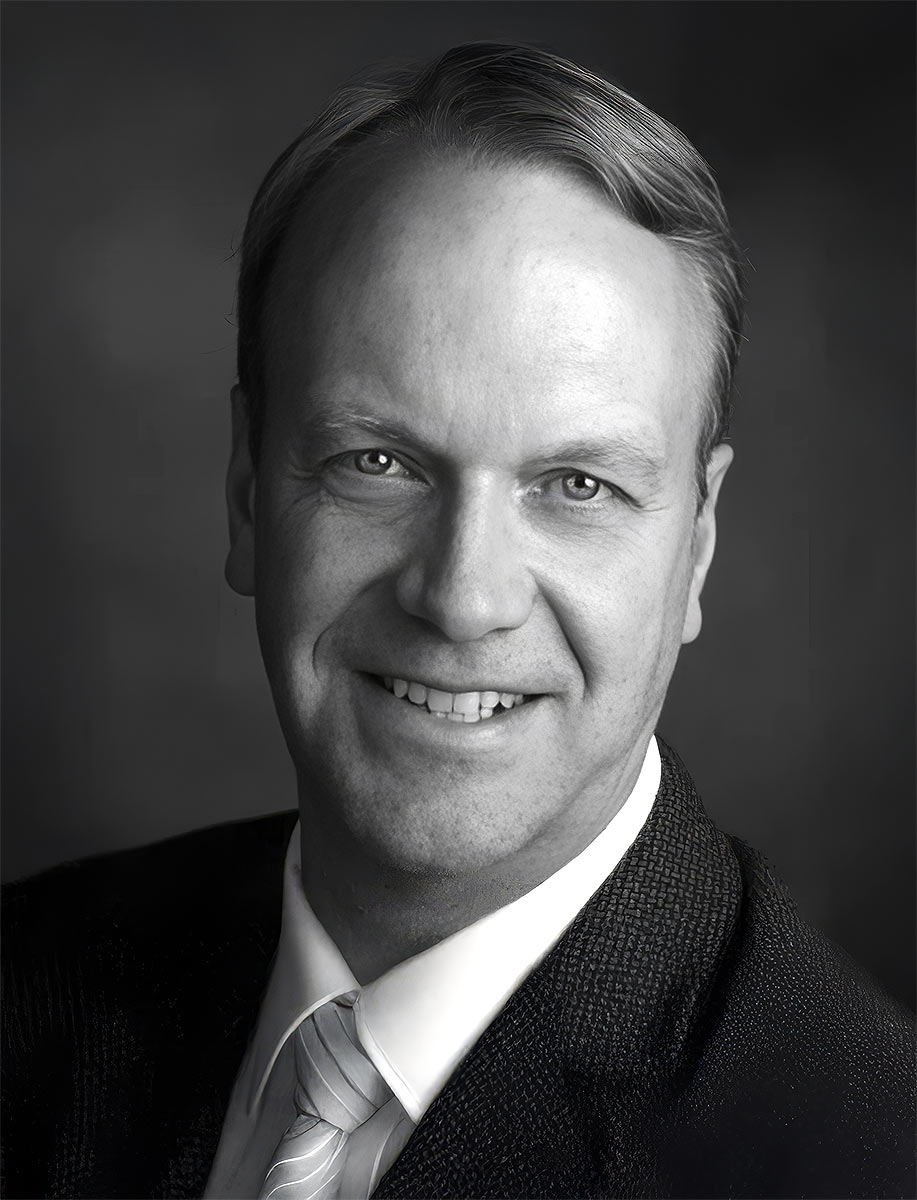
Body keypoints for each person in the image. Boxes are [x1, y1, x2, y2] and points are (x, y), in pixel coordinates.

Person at [2, 42, 913, 1200]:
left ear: (694, 547)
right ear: (245, 493)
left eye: (576, 485)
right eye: (376, 463)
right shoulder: (30, 984)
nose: (462, 598)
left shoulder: (858, 1153)